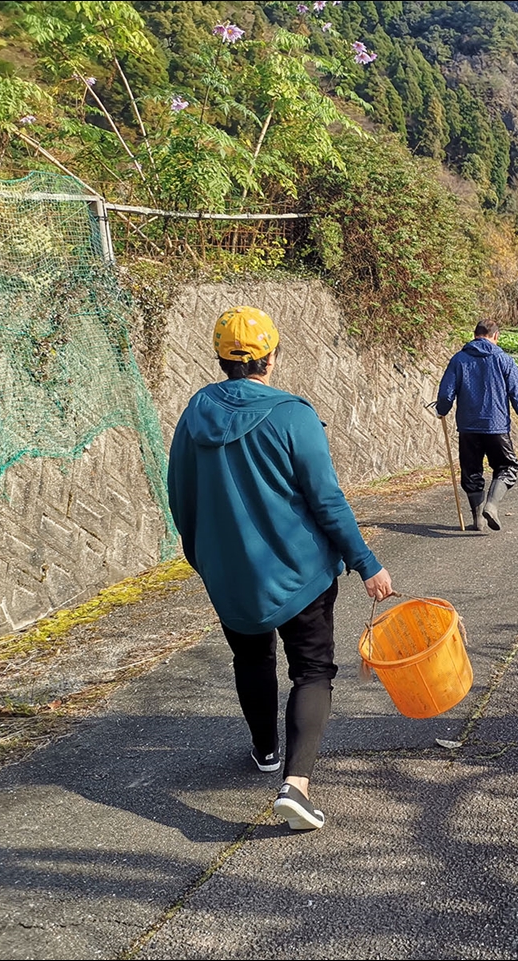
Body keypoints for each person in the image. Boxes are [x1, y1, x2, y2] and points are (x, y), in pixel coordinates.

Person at [167, 305, 394, 831]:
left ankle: (265, 751)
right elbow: (327, 502)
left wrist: (203, 556)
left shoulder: (195, 411)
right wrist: (367, 564)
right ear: (271, 356)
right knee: (312, 670)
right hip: (302, 574)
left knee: (251, 658)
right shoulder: (293, 415)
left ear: (221, 358)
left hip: (231, 576)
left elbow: (180, 494)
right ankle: (295, 785)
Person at [435, 319, 518, 532]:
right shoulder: (504, 360)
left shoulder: (459, 359)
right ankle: (492, 504)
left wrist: (442, 410)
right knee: (508, 466)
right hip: (496, 426)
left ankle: (478, 520)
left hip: (468, 427)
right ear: (496, 336)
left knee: (471, 471)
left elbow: (446, 393)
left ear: (475, 335)